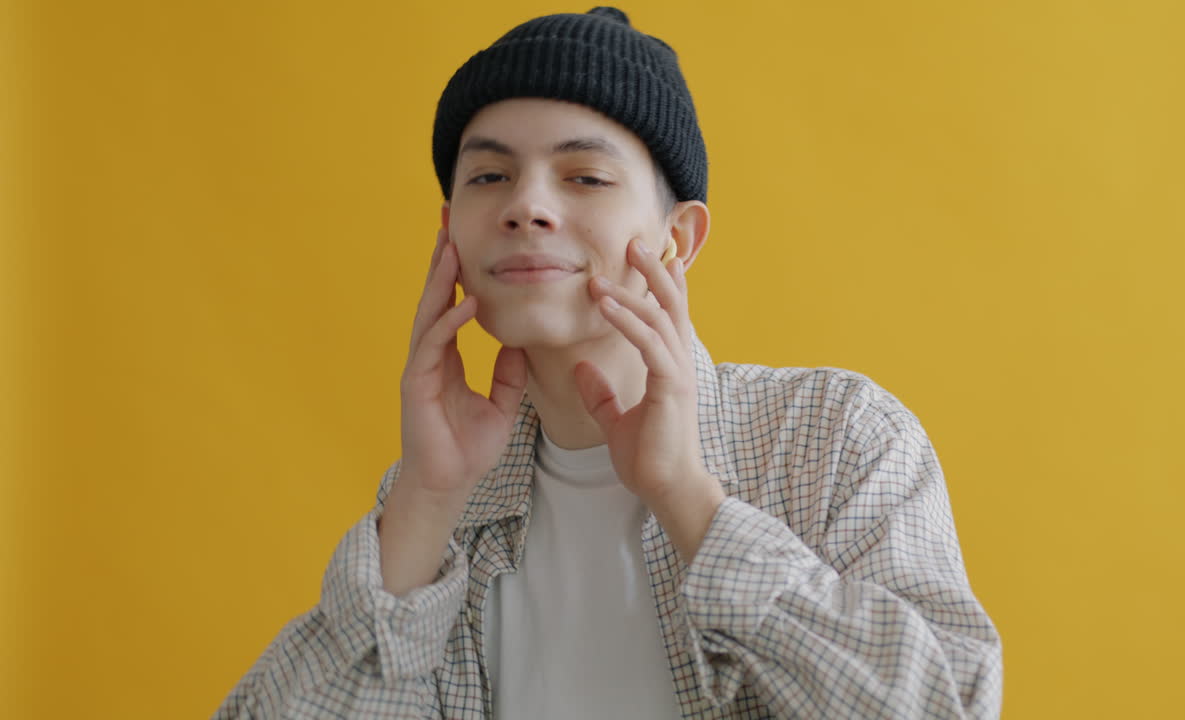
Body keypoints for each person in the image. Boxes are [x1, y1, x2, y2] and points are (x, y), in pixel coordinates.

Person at [214, 6, 1003, 719]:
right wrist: (426, 499)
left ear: (678, 239)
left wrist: (690, 502)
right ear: (451, 229)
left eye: (584, 176)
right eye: (489, 176)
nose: (527, 205)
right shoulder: (441, 502)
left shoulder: (835, 440)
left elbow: (949, 707)